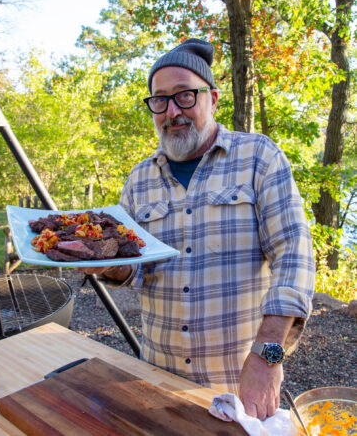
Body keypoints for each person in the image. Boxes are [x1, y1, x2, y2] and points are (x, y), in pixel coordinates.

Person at [80, 38, 315, 420]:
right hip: (156, 378)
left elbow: (295, 256)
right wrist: (105, 265)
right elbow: (133, 267)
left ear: (213, 98)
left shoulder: (258, 156)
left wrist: (267, 358)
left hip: (239, 385)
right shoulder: (139, 180)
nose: (172, 111)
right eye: (160, 99)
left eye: (185, 95)